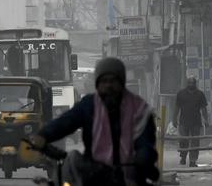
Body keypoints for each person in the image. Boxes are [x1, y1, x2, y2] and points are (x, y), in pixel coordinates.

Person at [28, 57, 158, 186]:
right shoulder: (89, 105)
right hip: (92, 172)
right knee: (70, 162)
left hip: (128, 174)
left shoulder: (140, 110)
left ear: (122, 82)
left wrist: (142, 160)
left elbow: (145, 144)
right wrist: (43, 135)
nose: (108, 85)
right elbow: (66, 122)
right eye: (104, 81)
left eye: (113, 81)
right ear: (97, 84)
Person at [174, 78, 209, 166]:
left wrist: (206, 120)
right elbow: (177, 107)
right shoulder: (181, 94)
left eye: (193, 83)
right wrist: (174, 119)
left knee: (195, 142)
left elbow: (204, 108)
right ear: (187, 83)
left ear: (195, 84)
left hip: (196, 122)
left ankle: (193, 160)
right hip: (183, 121)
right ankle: (183, 156)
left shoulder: (200, 94)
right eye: (189, 83)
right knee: (183, 140)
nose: (191, 85)